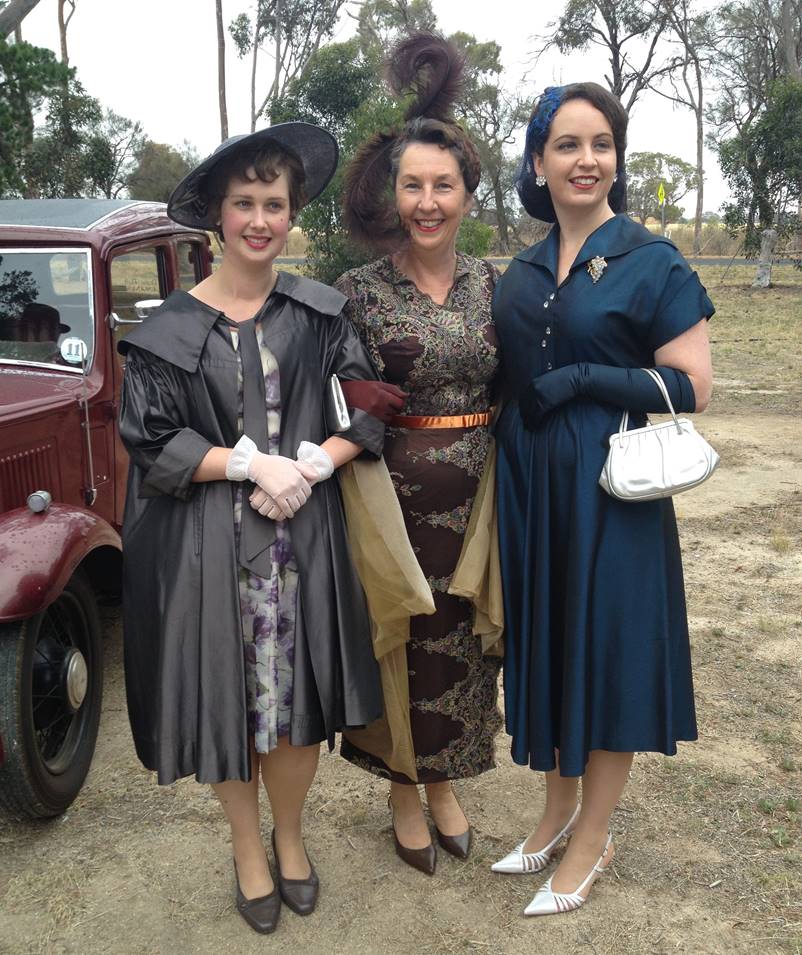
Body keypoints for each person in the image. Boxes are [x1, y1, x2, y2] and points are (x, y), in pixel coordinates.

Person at [117, 124, 385, 934]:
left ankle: (292, 836)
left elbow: (369, 408)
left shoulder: (318, 312)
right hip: (204, 551)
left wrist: (308, 466)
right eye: (245, 204)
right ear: (216, 216)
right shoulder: (168, 327)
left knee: (293, 700)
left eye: (275, 203)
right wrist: (243, 465)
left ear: (292, 213)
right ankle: (246, 845)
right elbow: (150, 437)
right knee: (228, 701)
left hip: (301, 544)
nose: (260, 219)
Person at [490, 83, 714, 916]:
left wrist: (585, 378)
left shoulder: (652, 260)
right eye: (567, 145)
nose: (586, 161)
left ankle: (593, 834)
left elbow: (693, 385)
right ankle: (553, 813)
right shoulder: (515, 269)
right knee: (548, 644)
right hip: (528, 483)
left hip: (609, 485)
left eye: (601, 144)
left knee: (607, 649)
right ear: (538, 160)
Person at [334, 33, 502, 875]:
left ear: (467, 194)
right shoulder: (358, 294)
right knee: (402, 635)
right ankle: (404, 782)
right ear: (391, 194)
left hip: (480, 502)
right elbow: (329, 398)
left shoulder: (491, 284)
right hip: (388, 501)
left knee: (463, 639)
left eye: (444, 186)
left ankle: (446, 783)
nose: (428, 201)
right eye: (413, 186)